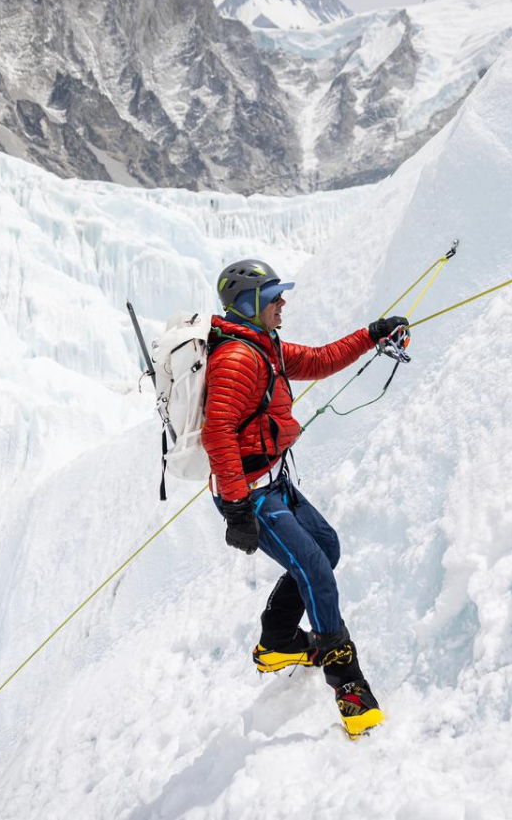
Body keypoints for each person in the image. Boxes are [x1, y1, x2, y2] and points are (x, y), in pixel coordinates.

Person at [204, 258, 408, 738]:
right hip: (251, 494)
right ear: (250, 303)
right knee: (316, 568)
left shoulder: (264, 346)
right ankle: (350, 688)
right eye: (274, 296)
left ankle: (278, 640)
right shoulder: (238, 359)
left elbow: (317, 360)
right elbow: (218, 435)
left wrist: (373, 334)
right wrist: (236, 509)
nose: (282, 303)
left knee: (327, 548)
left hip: (271, 481)